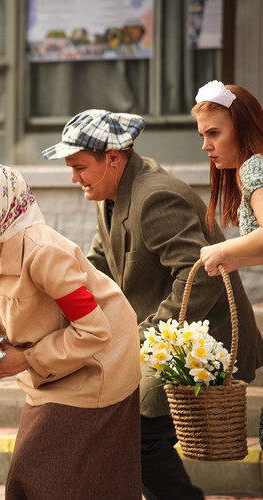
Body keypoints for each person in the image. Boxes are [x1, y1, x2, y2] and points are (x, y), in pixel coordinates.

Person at [42, 108, 263, 500]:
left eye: (79, 166)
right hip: (166, 340)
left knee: (138, 437)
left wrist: (141, 335)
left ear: (114, 158)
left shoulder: (155, 196)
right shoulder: (109, 193)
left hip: (204, 342)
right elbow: (99, 267)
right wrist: (51, 302)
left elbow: (201, 279)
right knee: (130, 435)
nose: (73, 177)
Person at [0, 161, 142, 498]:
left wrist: (26, 359)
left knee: (36, 477)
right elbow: (13, 304)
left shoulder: (44, 253)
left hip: (98, 367)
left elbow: (95, 330)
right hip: (53, 367)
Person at [191, 81, 263, 274]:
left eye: (214, 133)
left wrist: (222, 249)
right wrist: (237, 260)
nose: (205, 146)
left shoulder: (254, 167)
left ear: (242, 129)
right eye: (202, 136)